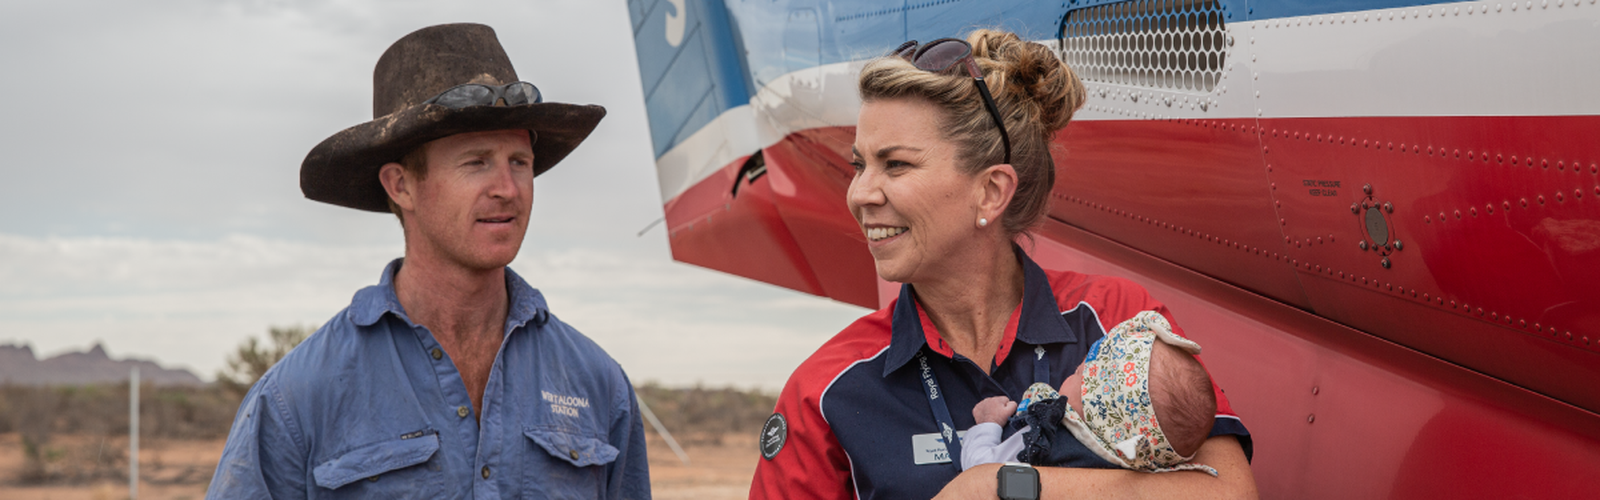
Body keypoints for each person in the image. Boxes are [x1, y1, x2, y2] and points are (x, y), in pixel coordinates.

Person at [748, 29, 1257, 499]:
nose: (860, 193)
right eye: (860, 165)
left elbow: (1228, 492)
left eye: (896, 164)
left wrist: (998, 486)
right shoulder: (826, 390)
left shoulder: (1115, 319)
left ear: (991, 191)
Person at [207, 24, 650, 499]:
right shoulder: (298, 396)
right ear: (401, 185)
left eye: (519, 162)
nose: (508, 188)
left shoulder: (598, 384)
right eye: (477, 162)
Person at [961, 311, 1219, 476]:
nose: (1074, 370)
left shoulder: (1045, 441)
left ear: (1097, 407)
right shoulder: (1141, 474)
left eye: (1080, 373)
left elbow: (979, 473)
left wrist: (987, 424)